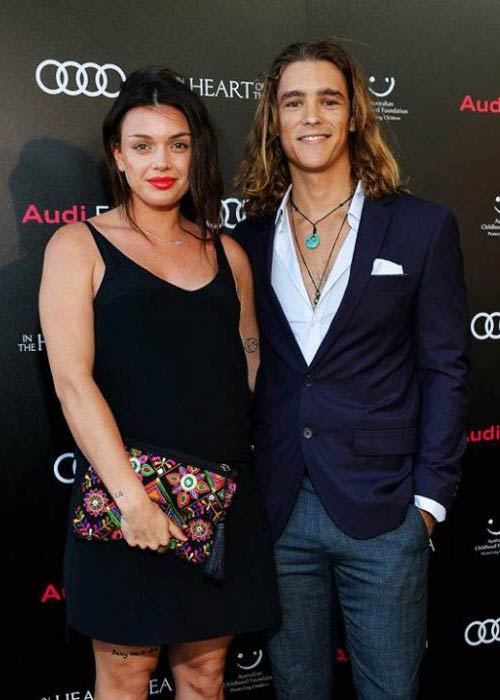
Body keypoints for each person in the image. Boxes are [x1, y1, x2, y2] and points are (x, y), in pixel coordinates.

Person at [234, 39, 469, 699]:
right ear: (274, 122)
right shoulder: (246, 242)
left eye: (328, 100)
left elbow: (446, 369)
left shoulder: (421, 227)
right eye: (294, 102)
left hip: (385, 509)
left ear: (356, 114)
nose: (312, 116)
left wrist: (427, 504)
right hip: (279, 510)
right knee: (296, 690)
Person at [39, 67, 278, 700]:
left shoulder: (226, 253)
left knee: (204, 677)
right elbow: (71, 380)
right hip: (127, 504)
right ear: (117, 156)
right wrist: (133, 500)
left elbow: (250, 365)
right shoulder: (78, 245)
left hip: (219, 502)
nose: (161, 161)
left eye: (176, 143)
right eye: (141, 145)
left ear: (195, 151)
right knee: (124, 679)